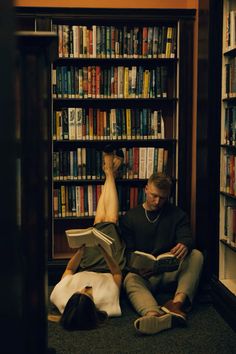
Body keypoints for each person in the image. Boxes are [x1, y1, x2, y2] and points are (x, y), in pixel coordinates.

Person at [49, 148, 125, 331]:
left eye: (79, 292)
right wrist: (105, 251)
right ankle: (110, 172)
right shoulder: (108, 304)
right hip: (110, 263)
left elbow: (69, 268)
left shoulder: (59, 296)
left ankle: (110, 172)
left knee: (99, 222)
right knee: (111, 221)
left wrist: (80, 251)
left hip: (88, 262)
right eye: (87, 293)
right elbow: (117, 275)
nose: (84, 288)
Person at [120, 172, 204, 335]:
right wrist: (137, 267)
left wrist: (185, 244)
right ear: (146, 189)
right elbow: (128, 252)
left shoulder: (177, 214)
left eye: (163, 198)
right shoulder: (130, 218)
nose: (158, 202)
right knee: (129, 280)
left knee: (196, 255)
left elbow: (186, 236)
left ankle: (176, 305)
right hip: (144, 275)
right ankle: (154, 315)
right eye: (154, 196)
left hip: (170, 272)